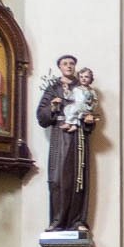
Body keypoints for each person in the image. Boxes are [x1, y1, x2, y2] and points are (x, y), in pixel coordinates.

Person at [36, 54, 96, 232]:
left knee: (78, 179)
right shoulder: (53, 88)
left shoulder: (83, 86)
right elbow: (41, 117)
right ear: (60, 67)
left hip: (78, 136)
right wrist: (52, 107)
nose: (69, 66)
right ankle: (57, 221)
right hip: (59, 136)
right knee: (57, 180)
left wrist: (89, 119)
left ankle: (76, 221)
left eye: (71, 63)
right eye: (65, 63)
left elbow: (90, 108)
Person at [61, 67, 97, 132]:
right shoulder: (76, 89)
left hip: (85, 107)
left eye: (86, 77)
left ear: (91, 79)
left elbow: (95, 101)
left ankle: (68, 123)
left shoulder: (91, 91)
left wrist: (91, 107)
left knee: (74, 108)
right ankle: (73, 125)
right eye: (81, 77)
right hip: (77, 105)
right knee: (67, 108)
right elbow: (71, 97)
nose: (83, 79)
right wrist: (66, 90)